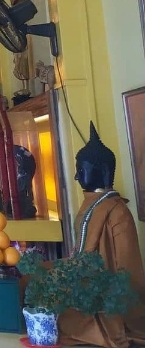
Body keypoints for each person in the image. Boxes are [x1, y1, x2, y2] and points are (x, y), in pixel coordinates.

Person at [58, 122, 145, 347]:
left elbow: (128, 268)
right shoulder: (90, 205)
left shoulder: (117, 212)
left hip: (106, 300)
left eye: (81, 169)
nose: (76, 176)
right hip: (85, 284)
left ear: (104, 172)